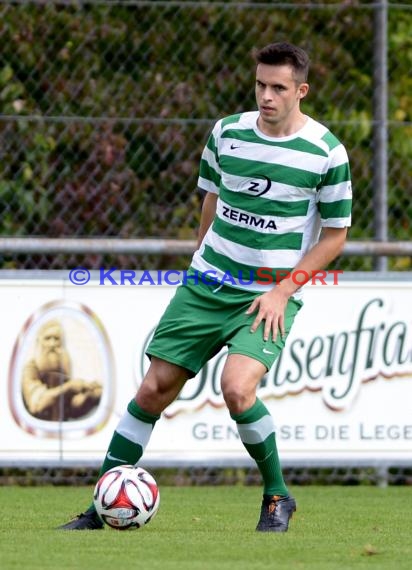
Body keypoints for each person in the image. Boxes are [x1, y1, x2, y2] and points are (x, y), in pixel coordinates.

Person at [59, 42, 351, 532]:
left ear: (301, 90)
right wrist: (198, 263)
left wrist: (283, 291)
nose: (266, 96)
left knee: (237, 389)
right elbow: (211, 200)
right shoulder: (226, 134)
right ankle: (102, 504)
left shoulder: (326, 152)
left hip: (265, 295)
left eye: (279, 87)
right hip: (207, 282)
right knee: (154, 389)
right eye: (260, 84)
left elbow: (337, 234)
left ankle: (277, 496)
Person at [22, 319, 102, 421]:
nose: (52, 344)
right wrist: (69, 387)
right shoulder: (30, 369)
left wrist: (90, 395)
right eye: (48, 338)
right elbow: (36, 404)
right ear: (39, 341)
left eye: (56, 339)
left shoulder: (61, 369)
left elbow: (72, 407)